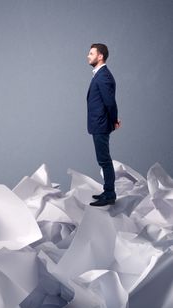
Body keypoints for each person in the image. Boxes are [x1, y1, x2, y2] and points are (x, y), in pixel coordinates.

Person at [86, 43, 121, 206]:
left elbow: (110, 103)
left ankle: (109, 195)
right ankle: (107, 191)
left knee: (105, 161)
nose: (88, 55)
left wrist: (114, 120)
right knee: (103, 160)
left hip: (101, 124)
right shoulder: (99, 75)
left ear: (100, 56)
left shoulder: (103, 76)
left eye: (91, 53)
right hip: (99, 123)